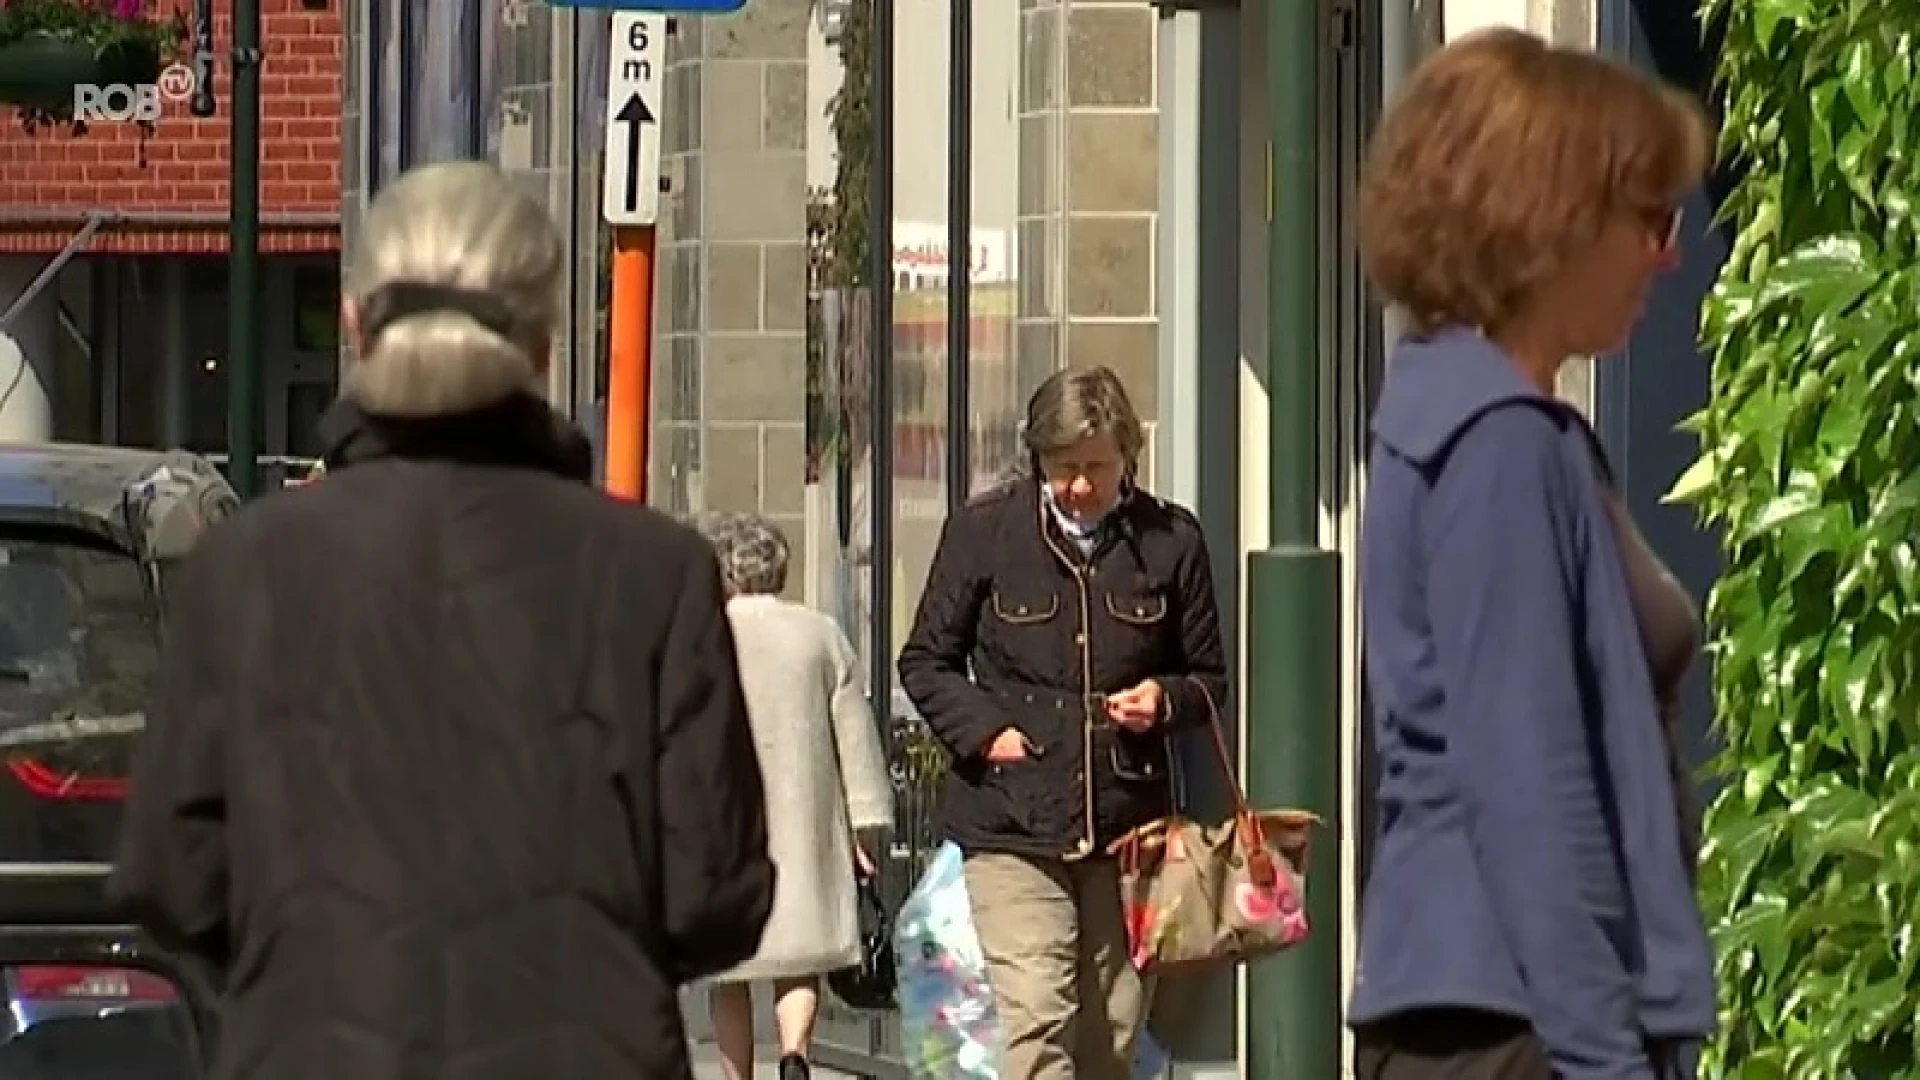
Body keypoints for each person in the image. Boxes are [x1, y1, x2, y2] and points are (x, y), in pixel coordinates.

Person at [109, 161, 775, 1080]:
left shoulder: (247, 569)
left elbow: (171, 878)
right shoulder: (653, 575)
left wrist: (308, 961)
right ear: (544, 341)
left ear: (355, 324)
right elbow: (718, 898)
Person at [1348, 29, 1716, 1080]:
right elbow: (1534, 785)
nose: (1669, 254)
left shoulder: (1450, 409)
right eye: (1648, 218)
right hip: (1523, 1028)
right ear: (1547, 218)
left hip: (1477, 1012)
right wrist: (1609, 1060)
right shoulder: (1502, 440)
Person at [898, 365, 1227, 1080]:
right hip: (1011, 821)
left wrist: (1164, 701)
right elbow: (925, 660)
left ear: (1128, 457)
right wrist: (987, 733)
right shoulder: (984, 531)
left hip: (1128, 828)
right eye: (1064, 468)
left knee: (1112, 1027)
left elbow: (1209, 679)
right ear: (1038, 459)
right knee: (1037, 1014)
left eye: (1096, 469)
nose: (1080, 486)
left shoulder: (1170, 540)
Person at [695, 513, 894, 1080]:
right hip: (805, 817)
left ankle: (738, 1074)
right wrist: (864, 825)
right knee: (798, 955)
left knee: (728, 970)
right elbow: (854, 737)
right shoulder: (820, 634)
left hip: (723, 819)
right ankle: (795, 1056)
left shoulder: (700, 631)